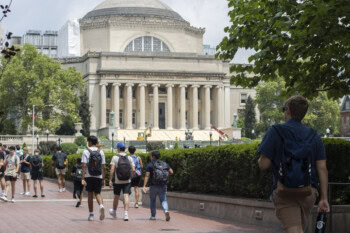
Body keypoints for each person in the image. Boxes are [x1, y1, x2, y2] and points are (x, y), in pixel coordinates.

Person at [257, 96, 329, 233]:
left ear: (288, 110)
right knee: (298, 228)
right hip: (308, 191)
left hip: (284, 191)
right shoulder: (314, 135)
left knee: (294, 229)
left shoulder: (275, 131)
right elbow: (322, 168)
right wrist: (324, 198)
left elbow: (263, 165)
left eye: (284, 109)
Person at [143, 151, 173, 221]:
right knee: (163, 200)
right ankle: (166, 211)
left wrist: (144, 185)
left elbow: (147, 176)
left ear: (153, 157)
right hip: (163, 185)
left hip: (153, 185)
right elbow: (171, 172)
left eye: (151, 156)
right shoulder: (164, 164)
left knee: (152, 200)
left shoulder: (150, 165)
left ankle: (153, 216)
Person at [81, 136, 106, 221]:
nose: (88, 143)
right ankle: (101, 205)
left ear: (90, 142)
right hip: (98, 176)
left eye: (88, 141)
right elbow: (103, 167)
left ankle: (91, 215)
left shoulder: (86, 151)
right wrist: (103, 179)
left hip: (89, 176)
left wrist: (83, 178)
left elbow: (84, 165)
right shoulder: (101, 152)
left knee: (90, 195)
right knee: (98, 193)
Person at [109, 142, 135, 221]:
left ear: (119, 149)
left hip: (117, 181)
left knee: (116, 196)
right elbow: (133, 169)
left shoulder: (115, 157)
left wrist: (110, 180)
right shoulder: (129, 158)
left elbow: (112, 170)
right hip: (127, 180)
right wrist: (131, 177)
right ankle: (126, 214)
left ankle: (114, 211)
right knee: (126, 196)